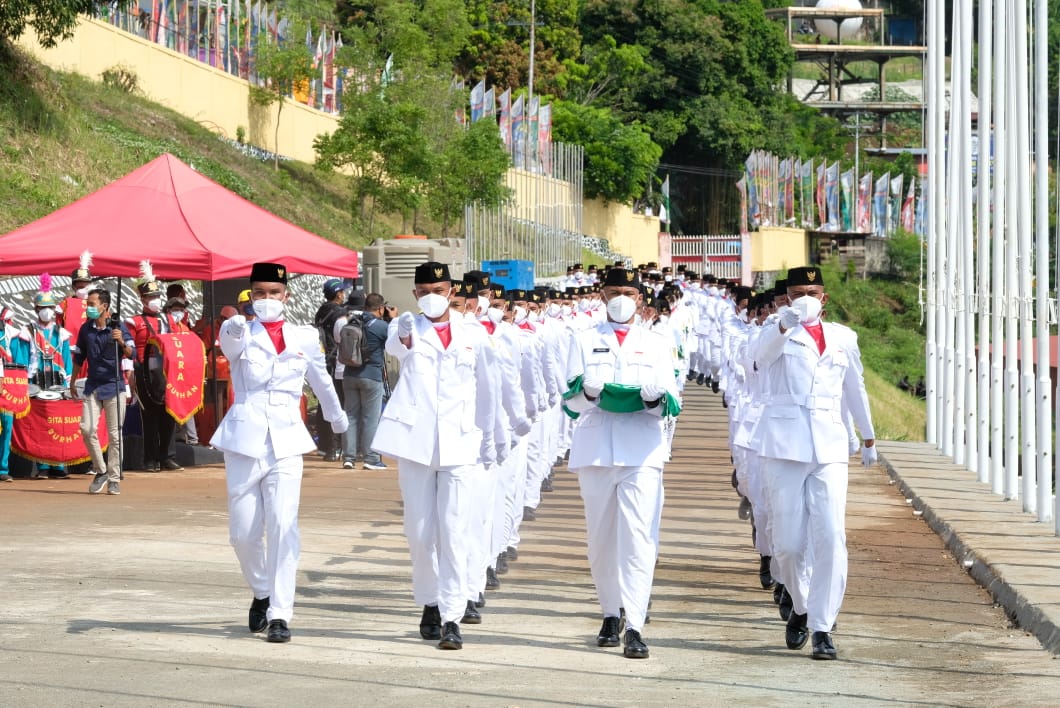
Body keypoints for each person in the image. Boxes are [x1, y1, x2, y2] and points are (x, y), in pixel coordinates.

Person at [210, 262, 348, 644]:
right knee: (242, 533)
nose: (267, 299)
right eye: (260, 293)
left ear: (286, 295)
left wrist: (337, 418)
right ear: (251, 296)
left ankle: (281, 613)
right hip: (244, 439)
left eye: (274, 292)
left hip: (287, 439)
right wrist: (234, 326)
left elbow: (320, 378)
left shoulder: (304, 336)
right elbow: (229, 343)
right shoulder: (240, 331)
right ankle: (262, 590)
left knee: (284, 526)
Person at [749, 266, 876, 661]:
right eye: (797, 292)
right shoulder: (773, 330)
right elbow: (757, 361)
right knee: (787, 546)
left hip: (829, 445)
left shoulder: (843, 337)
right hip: (783, 444)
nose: (805, 298)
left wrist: (867, 435)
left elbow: (854, 386)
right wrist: (782, 326)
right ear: (786, 297)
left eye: (812, 291)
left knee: (832, 537)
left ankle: (822, 626)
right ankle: (801, 606)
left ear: (824, 298)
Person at [371, 261, 498, 651]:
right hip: (417, 443)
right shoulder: (405, 327)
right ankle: (429, 600)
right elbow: (396, 347)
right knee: (420, 531)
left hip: (460, 442)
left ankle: (452, 616)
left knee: (455, 530)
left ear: (451, 291)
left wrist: (490, 438)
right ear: (415, 294)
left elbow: (488, 388)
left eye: (438, 290)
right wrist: (403, 334)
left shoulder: (474, 333)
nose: (431, 297)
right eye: (424, 291)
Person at [563, 267, 681, 660]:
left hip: (642, 450)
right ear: (601, 295)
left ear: (640, 299)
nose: (620, 299)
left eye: (628, 293)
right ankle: (609, 612)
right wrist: (587, 394)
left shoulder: (658, 343)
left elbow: (672, 402)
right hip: (596, 448)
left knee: (638, 538)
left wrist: (653, 400)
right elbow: (569, 402)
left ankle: (635, 624)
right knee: (601, 539)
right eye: (614, 291)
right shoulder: (582, 340)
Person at [71, 288, 135, 496]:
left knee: (115, 435)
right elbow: (79, 357)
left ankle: (114, 478)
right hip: (92, 386)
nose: (88, 307)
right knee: (87, 428)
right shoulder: (85, 329)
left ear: (104, 306)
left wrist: (121, 341)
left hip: (114, 386)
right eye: (88, 304)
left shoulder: (118, 327)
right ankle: (101, 470)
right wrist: (73, 381)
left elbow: (131, 354)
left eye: (92, 304)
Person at [126, 262, 181, 472]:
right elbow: (128, 349)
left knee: (169, 414)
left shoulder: (169, 320)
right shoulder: (134, 321)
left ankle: (167, 457)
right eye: (151, 297)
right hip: (143, 373)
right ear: (142, 300)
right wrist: (130, 374)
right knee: (149, 416)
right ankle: (150, 459)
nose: (155, 300)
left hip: (167, 373)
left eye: (157, 296)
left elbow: (179, 343)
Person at [22, 273, 74, 479]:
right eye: (43, 307)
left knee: (58, 423)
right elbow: (23, 359)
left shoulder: (62, 333)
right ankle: (43, 466)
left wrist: (69, 382)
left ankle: (59, 466)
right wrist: (24, 383)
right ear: (36, 309)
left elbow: (68, 360)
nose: (47, 311)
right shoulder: (28, 331)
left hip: (58, 382)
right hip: (36, 382)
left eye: (50, 307)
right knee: (40, 425)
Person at [338, 293, 392, 470]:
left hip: (349, 375)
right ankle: (371, 458)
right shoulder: (381, 326)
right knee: (371, 418)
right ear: (380, 308)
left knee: (350, 416)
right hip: (371, 376)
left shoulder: (351, 322)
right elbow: (395, 342)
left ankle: (349, 457)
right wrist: (392, 319)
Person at [314, 279, 348, 463]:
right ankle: (334, 448)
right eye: (342, 292)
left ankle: (324, 445)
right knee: (336, 403)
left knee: (323, 403)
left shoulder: (321, 311)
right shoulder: (340, 314)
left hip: (322, 360)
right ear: (338, 294)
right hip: (335, 362)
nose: (344, 295)